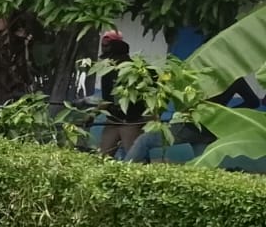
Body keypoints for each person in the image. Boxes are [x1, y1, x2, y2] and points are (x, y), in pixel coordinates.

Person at [127, 77, 261, 163]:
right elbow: (254, 102)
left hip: (189, 124)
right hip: (212, 128)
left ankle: (121, 175)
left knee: (144, 141)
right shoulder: (236, 79)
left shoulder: (201, 75)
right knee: (202, 165)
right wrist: (224, 114)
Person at [96, 30, 149, 158]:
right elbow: (107, 98)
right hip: (113, 120)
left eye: (106, 46)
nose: (103, 49)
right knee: (102, 156)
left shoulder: (134, 70)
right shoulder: (108, 69)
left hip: (131, 122)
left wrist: (92, 115)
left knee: (135, 160)